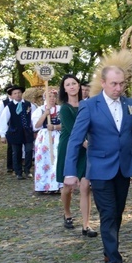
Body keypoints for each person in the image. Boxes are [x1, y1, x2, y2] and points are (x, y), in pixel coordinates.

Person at [64, 66, 132, 263]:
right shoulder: (90, 106)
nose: (119, 88)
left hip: (124, 169)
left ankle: (110, 251)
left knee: (117, 213)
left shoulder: (130, 105)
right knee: (108, 213)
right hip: (99, 169)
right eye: (114, 84)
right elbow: (74, 140)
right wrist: (70, 172)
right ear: (103, 82)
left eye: (122, 84)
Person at [56, 75, 96, 237]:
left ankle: (86, 225)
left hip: (86, 148)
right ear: (64, 89)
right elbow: (74, 132)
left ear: (79, 86)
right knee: (68, 188)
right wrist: (90, 146)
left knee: (85, 186)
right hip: (70, 148)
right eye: (68, 84)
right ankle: (67, 213)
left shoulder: (87, 105)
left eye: (74, 83)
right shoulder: (65, 108)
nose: (72, 86)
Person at [0, 85, 36, 180]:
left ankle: (27, 170)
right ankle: (18, 172)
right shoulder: (9, 107)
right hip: (15, 132)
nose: (17, 95)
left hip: (27, 132)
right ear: (12, 95)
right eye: (15, 93)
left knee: (29, 151)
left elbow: (34, 118)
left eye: (19, 93)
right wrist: (2, 134)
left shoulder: (29, 105)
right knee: (17, 152)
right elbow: (3, 120)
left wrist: (35, 130)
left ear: (22, 93)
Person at [32, 89, 62, 193]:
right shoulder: (40, 110)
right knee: (44, 161)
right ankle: (44, 185)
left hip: (57, 136)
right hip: (44, 138)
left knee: (57, 159)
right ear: (45, 98)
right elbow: (36, 126)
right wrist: (45, 114)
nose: (52, 98)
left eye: (54, 96)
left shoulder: (60, 109)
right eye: (50, 96)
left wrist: (55, 127)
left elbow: (66, 124)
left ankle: (57, 185)